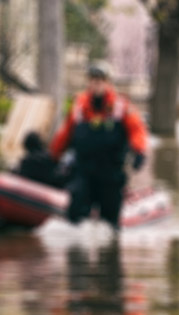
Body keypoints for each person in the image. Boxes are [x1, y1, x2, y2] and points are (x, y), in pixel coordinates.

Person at [50, 63, 149, 228]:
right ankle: (76, 250)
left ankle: (109, 250)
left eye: (99, 81)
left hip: (110, 172)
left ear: (107, 83)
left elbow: (137, 130)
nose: (95, 85)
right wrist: (53, 156)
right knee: (75, 215)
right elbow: (66, 133)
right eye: (92, 81)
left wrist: (139, 151)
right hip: (84, 170)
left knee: (110, 222)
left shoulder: (121, 107)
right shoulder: (80, 106)